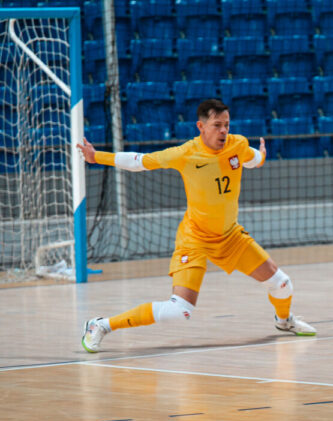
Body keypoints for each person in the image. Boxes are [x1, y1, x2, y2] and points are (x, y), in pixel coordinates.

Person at [78, 99, 316, 353]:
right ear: (201, 126)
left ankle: (284, 321)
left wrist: (262, 156)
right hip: (195, 239)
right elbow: (140, 161)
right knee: (180, 311)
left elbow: (254, 159)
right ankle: (100, 325)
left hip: (230, 237)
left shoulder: (237, 144)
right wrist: (96, 157)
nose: (223, 131)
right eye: (217, 125)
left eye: (226, 125)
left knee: (282, 284)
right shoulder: (186, 153)